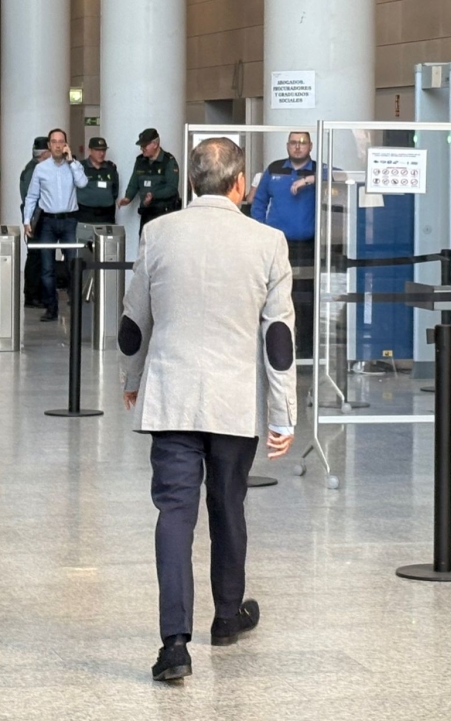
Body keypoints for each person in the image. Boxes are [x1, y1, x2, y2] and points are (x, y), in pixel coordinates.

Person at [119, 137, 296, 682]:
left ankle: (174, 644)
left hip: (172, 397)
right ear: (241, 183)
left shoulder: (157, 232)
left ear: (193, 181)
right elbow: (279, 336)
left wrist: (132, 380)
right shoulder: (268, 241)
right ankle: (226, 616)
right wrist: (283, 413)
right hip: (233, 400)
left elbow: (133, 320)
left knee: (174, 513)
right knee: (228, 504)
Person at [251, 131, 318, 358]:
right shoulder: (274, 169)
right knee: (277, 296)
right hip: (278, 246)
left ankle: (307, 349)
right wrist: (261, 233)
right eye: (293, 143)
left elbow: (342, 176)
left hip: (309, 247)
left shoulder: (318, 170)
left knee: (307, 299)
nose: (297, 147)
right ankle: (279, 347)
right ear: (287, 145)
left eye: (302, 143)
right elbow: (258, 202)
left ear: (310, 146)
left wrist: (310, 179)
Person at [23, 128, 88, 322]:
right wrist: (27, 220)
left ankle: (75, 305)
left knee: (73, 265)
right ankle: (51, 308)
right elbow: (32, 196)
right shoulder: (41, 169)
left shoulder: (74, 165)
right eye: (54, 142)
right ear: (49, 146)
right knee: (47, 268)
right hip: (48, 221)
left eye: (61, 141)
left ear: (66, 145)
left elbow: (83, 183)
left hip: (69, 220)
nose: (58, 145)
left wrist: (72, 162)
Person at [119, 128, 181, 231]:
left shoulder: (169, 161)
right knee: (145, 244)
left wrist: (153, 196)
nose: (142, 148)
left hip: (164, 214)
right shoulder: (140, 161)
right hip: (146, 213)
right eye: (141, 146)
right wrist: (128, 197)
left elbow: (172, 188)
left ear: (155, 144)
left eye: (145, 145)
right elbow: (134, 182)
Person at [21, 136, 49, 309]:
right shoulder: (33, 170)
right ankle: (32, 295)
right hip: (36, 217)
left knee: (38, 255)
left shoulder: (32, 168)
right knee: (36, 257)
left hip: (37, 216)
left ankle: (37, 294)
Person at [75, 136, 119, 225]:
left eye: (103, 150)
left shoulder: (111, 168)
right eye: (97, 150)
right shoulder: (80, 167)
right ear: (90, 150)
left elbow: (114, 191)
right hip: (85, 213)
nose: (101, 153)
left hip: (107, 215)